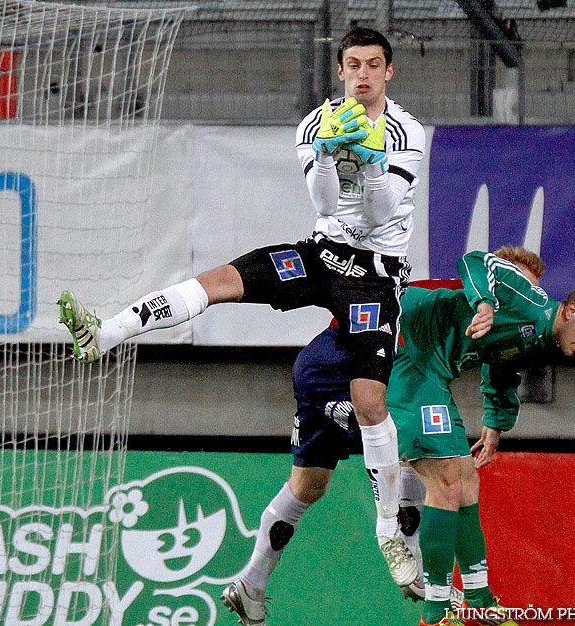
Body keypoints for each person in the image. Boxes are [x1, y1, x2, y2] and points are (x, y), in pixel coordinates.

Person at [58, 26, 426, 586]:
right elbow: (324, 203)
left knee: (370, 397)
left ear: (388, 72)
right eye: (353, 64)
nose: (363, 75)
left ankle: (388, 534)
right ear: (341, 69)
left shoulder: (407, 131)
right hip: (323, 254)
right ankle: (105, 333)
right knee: (221, 280)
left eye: (374, 65)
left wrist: (368, 159)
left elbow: (378, 215)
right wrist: (329, 155)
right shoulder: (316, 122)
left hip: (374, 277)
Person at [221, 247, 547, 626]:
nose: (525, 302)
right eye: (520, 286)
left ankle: (250, 584)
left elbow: (501, 361)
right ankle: (406, 556)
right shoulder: (457, 301)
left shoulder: (493, 326)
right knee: (414, 446)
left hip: (323, 365)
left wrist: (495, 420)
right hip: (344, 366)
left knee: (308, 485)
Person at [388, 250, 575, 626]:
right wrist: (484, 303)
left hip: (435, 372)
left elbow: (502, 363)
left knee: (466, 482)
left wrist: (495, 424)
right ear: (572, 310)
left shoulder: (542, 339)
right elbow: (476, 261)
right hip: (409, 352)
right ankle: (436, 612)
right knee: (447, 483)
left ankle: (479, 601)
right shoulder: (531, 298)